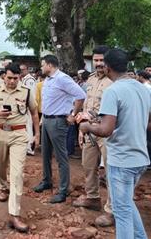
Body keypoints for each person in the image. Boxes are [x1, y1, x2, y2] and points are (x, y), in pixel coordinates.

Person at [79, 48, 150, 239]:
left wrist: (87, 127)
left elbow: (106, 130)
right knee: (126, 203)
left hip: (122, 160)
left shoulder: (113, 91)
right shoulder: (142, 89)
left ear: (108, 67)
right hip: (140, 158)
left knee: (121, 211)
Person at [0, 63, 40, 233]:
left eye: (15, 78)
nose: (12, 81)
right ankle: (2, 186)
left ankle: (14, 214)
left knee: (16, 174)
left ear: (19, 77)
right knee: (0, 165)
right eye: (9, 78)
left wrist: (36, 135)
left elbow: (34, 113)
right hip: (0, 132)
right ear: (4, 76)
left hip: (19, 135)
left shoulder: (26, 91)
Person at [33, 55, 86, 203]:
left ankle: (63, 190)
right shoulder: (48, 80)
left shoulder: (63, 78)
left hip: (58, 121)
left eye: (43, 65)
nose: (41, 67)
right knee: (45, 154)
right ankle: (46, 181)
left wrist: (73, 114)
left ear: (50, 65)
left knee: (61, 157)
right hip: (47, 119)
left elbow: (81, 95)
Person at [72, 46, 114, 227]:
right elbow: (87, 105)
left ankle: (112, 211)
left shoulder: (115, 81)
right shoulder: (90, 80)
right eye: (95, 60)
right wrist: (82, 127)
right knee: (88, 165)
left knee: (111, 172)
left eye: (101, 60)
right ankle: (92, 197)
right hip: (89, 130)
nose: (98, 64)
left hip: (107, 132)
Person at [20, 64, 37, 155]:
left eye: (23, 69)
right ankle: (27, 146)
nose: (21, 71)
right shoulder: (24, 79)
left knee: (29, 127)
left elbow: (32, 95)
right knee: (26, 127)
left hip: (29, 107)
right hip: (24, 106)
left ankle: (30, 148)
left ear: (27, 69)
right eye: (20, 70)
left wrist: (29, 106)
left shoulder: (30, 80)